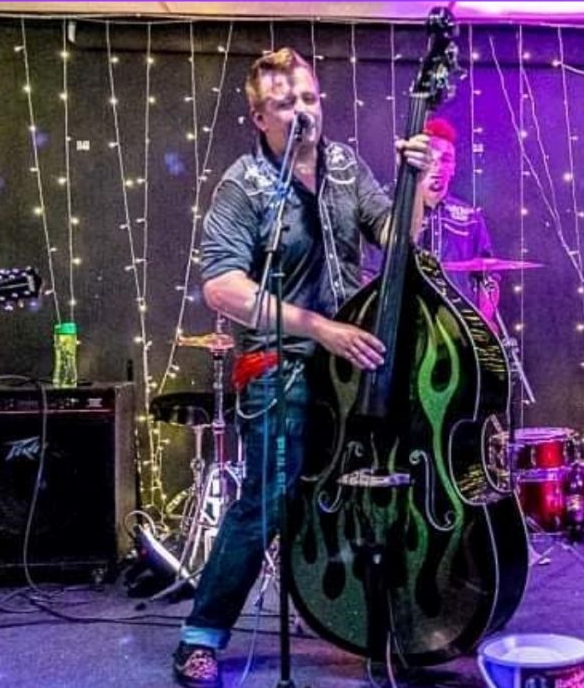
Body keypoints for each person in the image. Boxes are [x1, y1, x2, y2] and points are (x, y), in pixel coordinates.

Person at [171, 48, 432, 688]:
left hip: (354, 363)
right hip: (280, 362)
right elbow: (222, 287)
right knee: (267, 498)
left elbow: (397, 237)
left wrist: (416, 185)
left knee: (379, 482)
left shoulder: (345, 166)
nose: (302, 112)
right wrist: (318, 327)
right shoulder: (243, 184)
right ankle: (200, 635)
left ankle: (378, 620)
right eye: (285, 104)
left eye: (309, 99)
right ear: (260, 118)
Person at [412, 116, 500, 329]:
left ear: (453, 167)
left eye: (445, 159)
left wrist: (483, 322)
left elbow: (488, 276)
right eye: (430, 159)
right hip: (410, 323)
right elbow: (370, 274)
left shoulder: (470, 217)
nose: (438, 167)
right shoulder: (395, 213)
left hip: (458, 325)